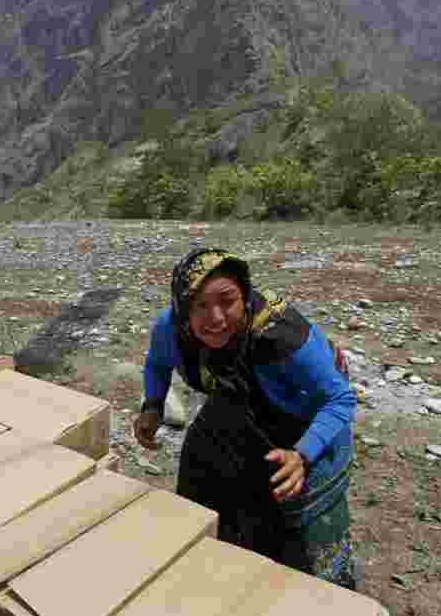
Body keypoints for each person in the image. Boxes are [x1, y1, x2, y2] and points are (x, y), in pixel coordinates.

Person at [134, 247, 358, 590]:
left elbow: (339, 398)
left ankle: (328, 597)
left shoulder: (280, 334)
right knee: (202, 469)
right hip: (241, 400)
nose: (216, 318)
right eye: (200, 305)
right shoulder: (172, 328)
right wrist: (152, 405)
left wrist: (302, 454)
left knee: (303, 525)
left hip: (307, 413)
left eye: (228, 300)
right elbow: (157, 363)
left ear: (245, 295)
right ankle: (217, 565)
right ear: (182, 307)